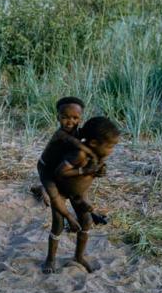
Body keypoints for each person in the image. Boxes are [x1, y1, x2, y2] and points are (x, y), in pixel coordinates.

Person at [41, 116, 120, 274]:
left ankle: (78, 256)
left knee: (86, 221)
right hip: (61, 191)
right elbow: (59, 172)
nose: (112, 150)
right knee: (58, 225)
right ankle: (50, 258)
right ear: (93, 143)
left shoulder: (98, 154)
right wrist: (85, 170)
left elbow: (93, 172)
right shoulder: (79, 155)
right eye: (110, 146)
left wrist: (99, 171)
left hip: (78, 193)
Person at [33, 96, 108, 226]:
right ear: (58, 117)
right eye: (65, 117)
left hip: (62, 166)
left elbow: (93, 142)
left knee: (78, 182)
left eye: (75, 118)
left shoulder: (79, 132)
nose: (70, 122)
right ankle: (68, 216)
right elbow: (79, 145)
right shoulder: (60, 134)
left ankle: (87, 212)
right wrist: (93, 157)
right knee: (54, 194)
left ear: (80, 118)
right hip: (47, 169)